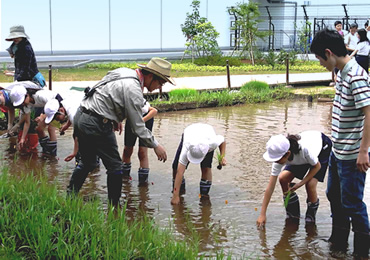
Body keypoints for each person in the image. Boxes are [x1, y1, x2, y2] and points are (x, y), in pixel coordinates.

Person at [67, 57, 173, 207]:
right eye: (160, 83)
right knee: (115, 166)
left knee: (88, 162)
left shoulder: (124, 72)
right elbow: (137, 126)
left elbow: (105, 91)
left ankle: (70, 197)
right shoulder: (134, 89)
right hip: (96, 123)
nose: (159, 87)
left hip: (81, 116)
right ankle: (114, 208)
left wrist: (114, 118)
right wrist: (156, 145)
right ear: (150, 76)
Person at [311, 28, 370, 258]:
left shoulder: (356, 75)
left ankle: (362, 252)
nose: (319, 63)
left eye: (319, 59)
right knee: (333, 195)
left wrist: (364, 151)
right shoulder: (343, 72)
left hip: (352, 154)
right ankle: (339, 241)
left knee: (353, 204)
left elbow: (369, 112)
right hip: (338, 151)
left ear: (329, 53)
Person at [256, 131, 332, 228]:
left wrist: (299, 184)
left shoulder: (304, 150)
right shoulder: (280, 159)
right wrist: (262, 214)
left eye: (277, 159)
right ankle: (293, 214)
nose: (276, 162)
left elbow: (317, 167)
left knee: (310, 185)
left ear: (287, 154)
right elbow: (270, 188)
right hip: (300, 156)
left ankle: (310, 217)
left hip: (321, 149)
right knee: (283, 178)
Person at [171, 123, 226, 205]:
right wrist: (175, 196)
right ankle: (180, 192)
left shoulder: (212, 143)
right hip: (190, 131)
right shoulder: (186, 147)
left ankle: (204, 196)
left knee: (206, 167)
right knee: (175, 166)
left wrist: (222, 157)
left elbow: (223, 141)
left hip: (207, 134)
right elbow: (179, 172)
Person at [9, 85, 62, 155]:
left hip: (56, 104)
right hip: (47, 109)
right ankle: (46, 149)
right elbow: (27, 122)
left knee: (51, 129)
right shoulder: (27, 105)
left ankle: (52, 153)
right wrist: (22, 139)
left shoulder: (40, 95)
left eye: (22, 101)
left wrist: (42, 116)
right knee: (38, 129)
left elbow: (52, 105)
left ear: (27, 95)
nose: (23, 104)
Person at [122, 99, 157, 184]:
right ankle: (124, 178)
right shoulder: (126, 102)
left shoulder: (140, 102)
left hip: (145, 119)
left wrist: (141, 122)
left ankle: (143, 182)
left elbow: (154, 111)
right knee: (127, 149)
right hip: (131, 120)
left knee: (142, 152)